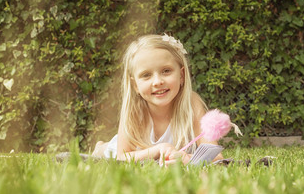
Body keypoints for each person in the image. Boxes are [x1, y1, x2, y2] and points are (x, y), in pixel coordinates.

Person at [92, 34, 223, 166]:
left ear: (181, 75)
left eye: (166, 71)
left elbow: (216, 156)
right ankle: (101, 146)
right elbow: (122, 156)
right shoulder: (134, 109)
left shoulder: (191, 104)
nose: (158, 82)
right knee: (110, 150)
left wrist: (186, 158)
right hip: (138, 151)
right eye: (146, 75)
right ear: (135, 85)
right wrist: (157, 150)